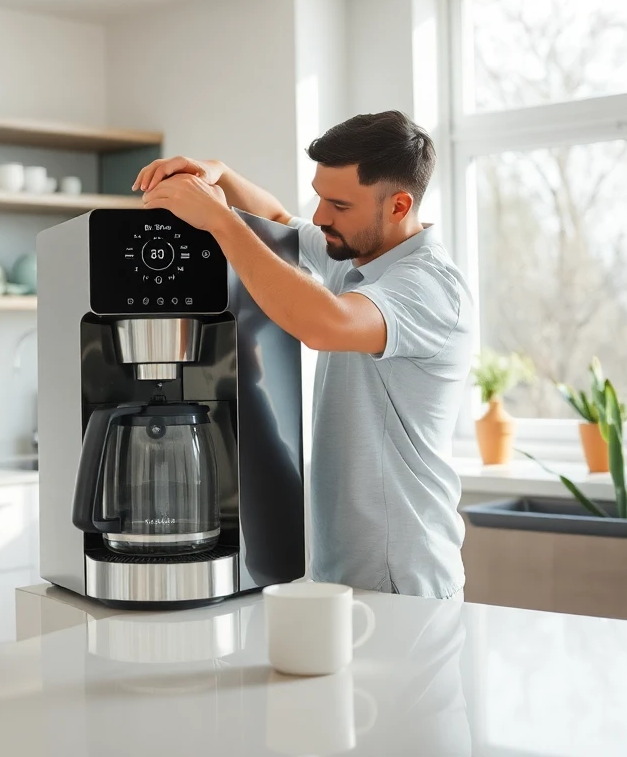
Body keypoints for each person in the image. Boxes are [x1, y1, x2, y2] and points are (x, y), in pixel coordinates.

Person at [133, 110, 472, 599]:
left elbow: (325, 324)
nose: (319, 217)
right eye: (319, 196)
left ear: (399, 206)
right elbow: (277, 225)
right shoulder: (357, 258)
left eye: (339, 204)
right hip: (348, 570)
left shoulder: (428, 286)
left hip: (404, 579)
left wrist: (221, 221)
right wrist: (221, 174)